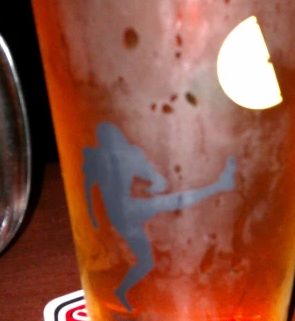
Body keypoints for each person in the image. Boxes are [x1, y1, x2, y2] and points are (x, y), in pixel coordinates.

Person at [83, 123, 235, 311]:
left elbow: (157, 180)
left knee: (146, 262)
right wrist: (91, 215)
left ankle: (120, 291)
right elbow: (88, 187)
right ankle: (219, 185)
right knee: (170, 202)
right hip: (125, 211)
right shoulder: (107, 157)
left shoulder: (121, 156)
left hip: (121, 214)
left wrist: (155, 184)